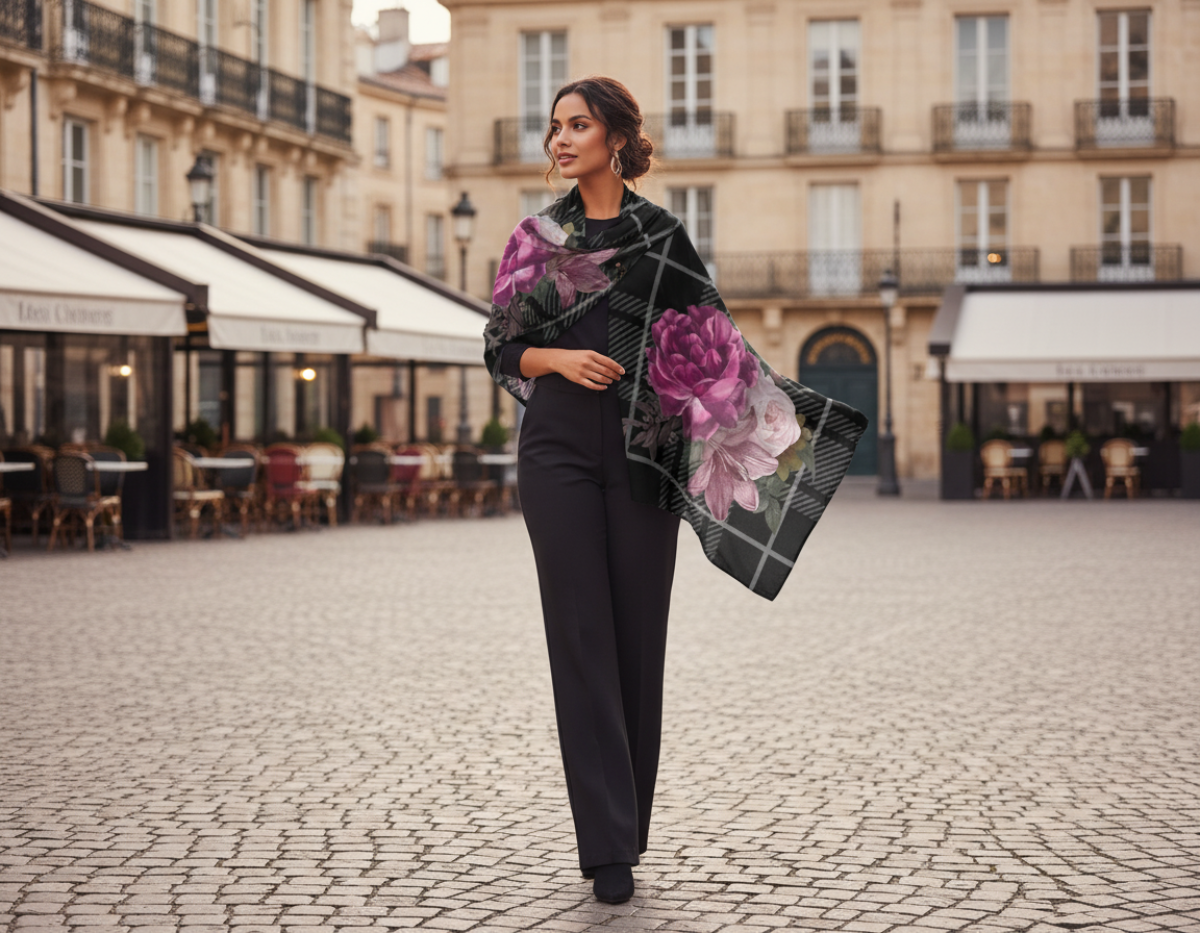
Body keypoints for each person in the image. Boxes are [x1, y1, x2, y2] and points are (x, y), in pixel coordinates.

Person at [483, 76, 867, 905]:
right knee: (579, 636)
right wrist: (558, 361)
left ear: (616, 138)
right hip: (554, 448)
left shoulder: (662, 238)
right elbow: (500, 347)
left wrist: (795, 425)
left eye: (577, 125)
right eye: (554, 127)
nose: (559, 139)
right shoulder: (536, 237)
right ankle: (606, 845)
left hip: (642, 454)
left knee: (634, 638)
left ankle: (628, 822)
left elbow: (717, 347)